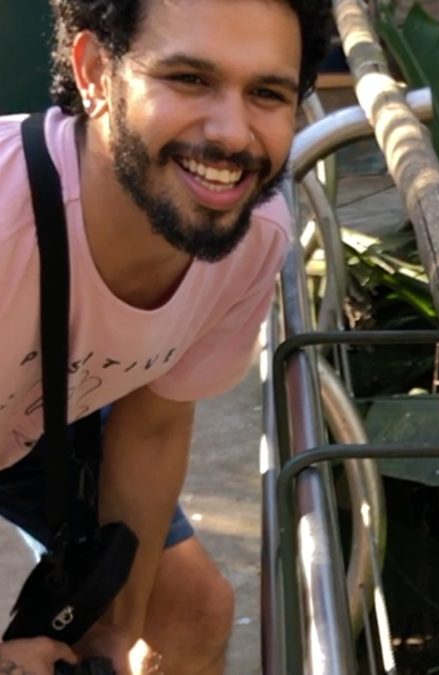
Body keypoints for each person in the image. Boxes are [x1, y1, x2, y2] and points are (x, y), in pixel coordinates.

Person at [0, 0, 333, 672]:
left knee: (191, 612)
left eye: (267, 92)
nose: (232, 135)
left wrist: (115, 633)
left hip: (45, 412)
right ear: (94, 72)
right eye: (189, 79)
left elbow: (153, 423)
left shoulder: (249, 234)